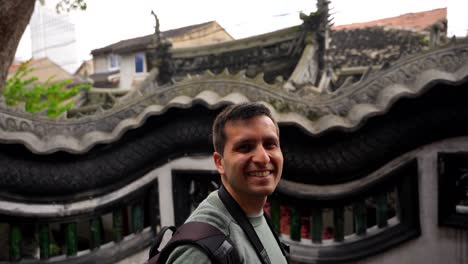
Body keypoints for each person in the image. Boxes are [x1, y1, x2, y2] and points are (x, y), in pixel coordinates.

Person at [166, 102, 288, 264]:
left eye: (270, 144)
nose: (263, 158)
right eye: (245, 147)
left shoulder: (254, 213)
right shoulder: (202, 250)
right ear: (220, 162)